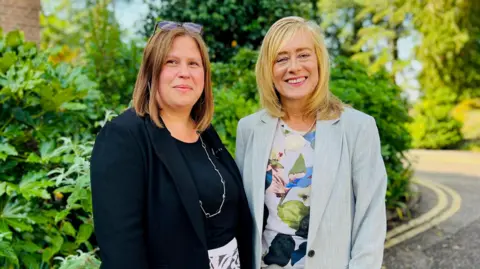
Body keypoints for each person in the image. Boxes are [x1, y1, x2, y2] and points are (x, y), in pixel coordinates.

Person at [90, 21, 253, 269]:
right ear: (151, 71)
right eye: (171, 62)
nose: (184, 72)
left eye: (194, 64)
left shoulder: (205, 133)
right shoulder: (123, 138)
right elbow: (122, 253)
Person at [235, 16, 387, 269]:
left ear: (319, 61)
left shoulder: (358, 128)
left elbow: (371, 218)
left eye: (303, 55)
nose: (293, 67)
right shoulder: (249, 129)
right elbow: (243, 214)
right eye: (281, 59)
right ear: (268, 70)